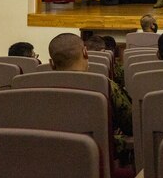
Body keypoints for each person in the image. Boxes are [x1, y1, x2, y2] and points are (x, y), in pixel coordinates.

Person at [48, 33, 133, 164]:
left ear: (51, 64)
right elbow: (131, 125)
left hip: (48, 160)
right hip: (96, 163)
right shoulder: (107, 86)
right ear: (85, 52)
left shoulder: (33, 88)